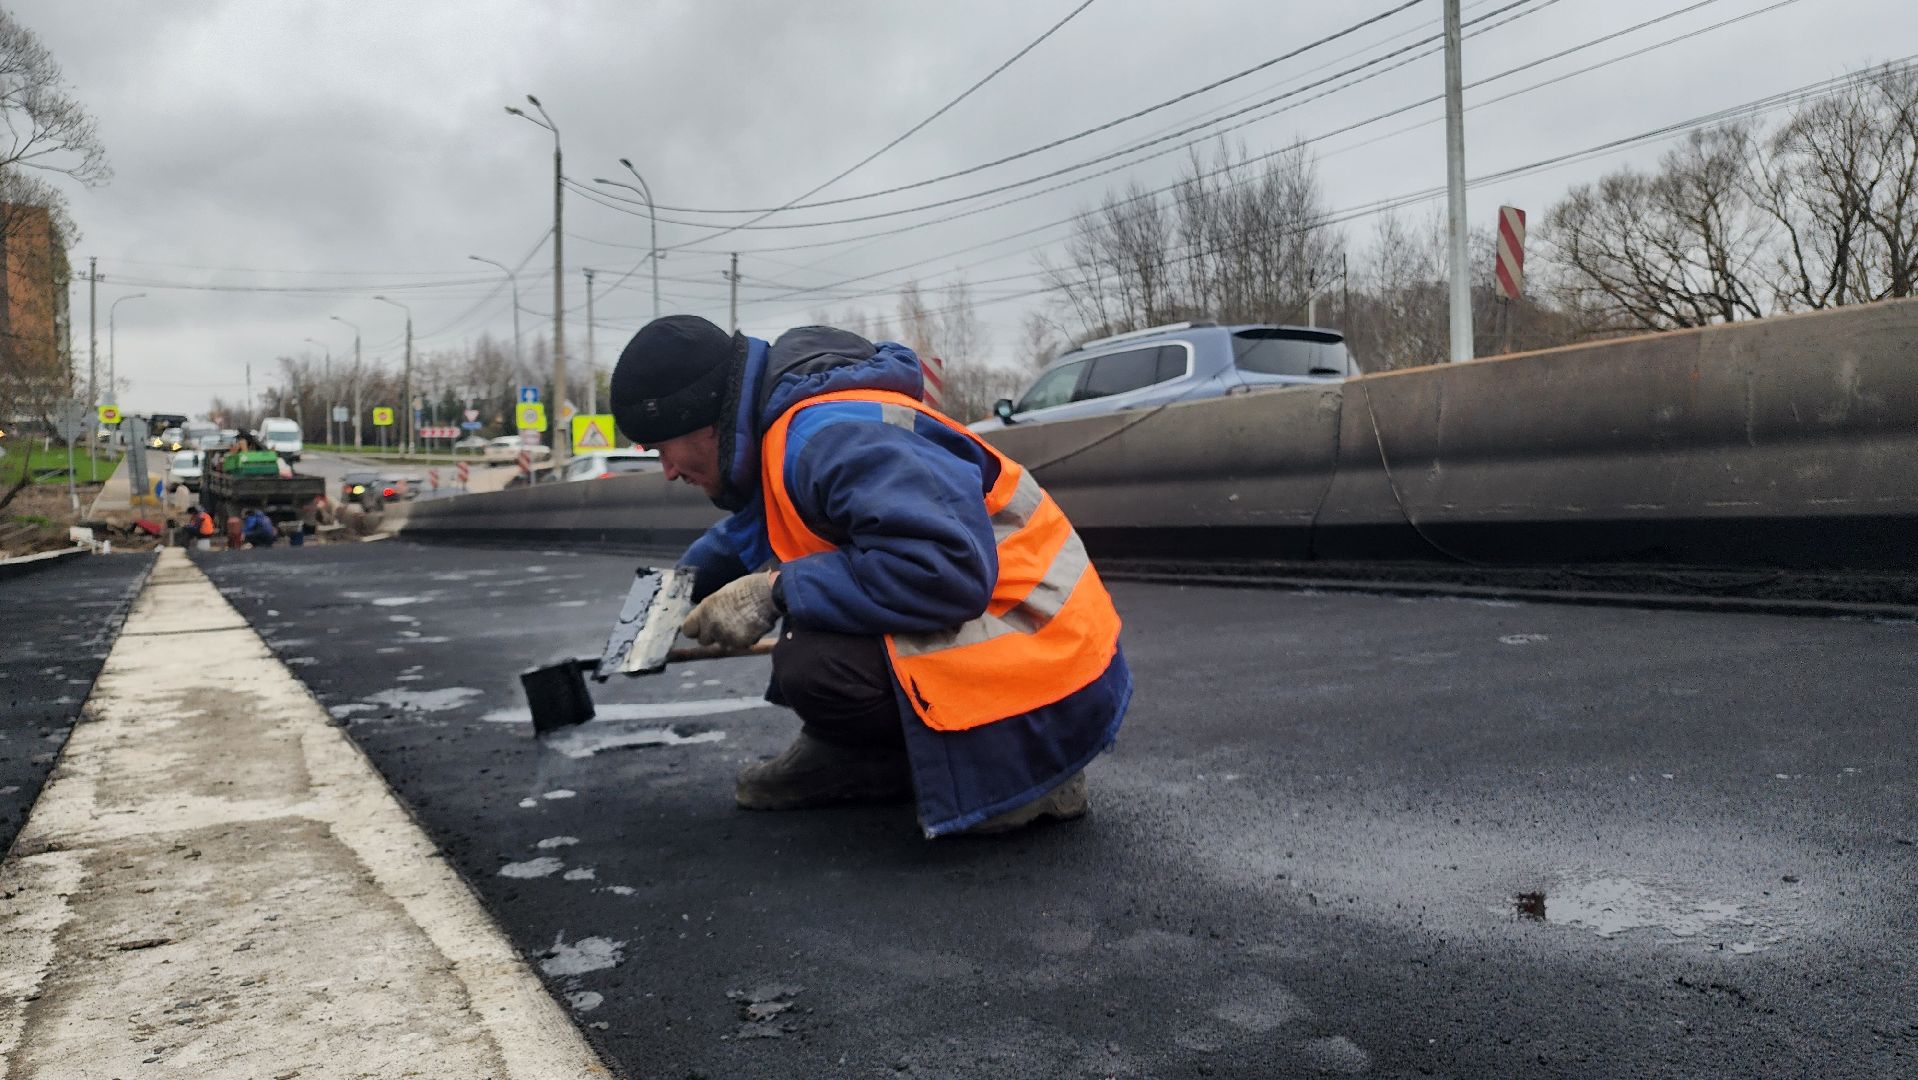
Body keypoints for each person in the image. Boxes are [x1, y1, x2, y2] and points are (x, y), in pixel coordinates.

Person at [609, 315, 1131, 838]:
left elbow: (945, 570)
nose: (668, 471)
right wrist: (655, 609)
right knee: (816, 614)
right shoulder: (786, 434)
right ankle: (861, 757)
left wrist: (773, 591)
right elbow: (742, 535)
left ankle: (1030, 774)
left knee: (813, 652)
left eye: (661, 448)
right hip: (1025, 638)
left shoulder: (827, 437)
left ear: (705, 422)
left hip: (1050, 669)